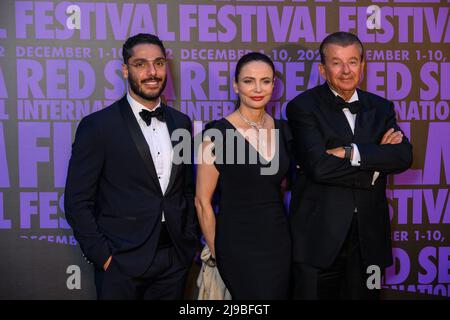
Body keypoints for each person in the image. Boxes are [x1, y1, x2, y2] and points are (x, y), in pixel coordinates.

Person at [64, 33, 198, 300]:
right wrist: (104, 258)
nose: (152, 72)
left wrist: (188, 241)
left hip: (173, 260)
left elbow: (185, 189)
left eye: (159, 63)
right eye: (141, 64)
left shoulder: (181, 122)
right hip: (121, 264)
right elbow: (77, 201)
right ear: (125, 70)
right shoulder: (98, 126)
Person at [286, 31, 413, 299]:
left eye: (353, 62)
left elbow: (403, 156)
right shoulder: (302, 106)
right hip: (318, 239)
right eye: (336, 63)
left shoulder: (381, 107)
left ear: (363, 65)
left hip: (370, 239)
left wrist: (349, 153)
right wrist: (376, 165)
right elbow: (319, 167)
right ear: (323, 69)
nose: (346, 71)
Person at [195, 52, 292, 299]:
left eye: (266, 81)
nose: (258, 88)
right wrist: (218, 251)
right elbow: (202, 201)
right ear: (236, 86)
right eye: (249, 81)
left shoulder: (285, 130)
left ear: (274, 85)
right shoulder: (217, 134)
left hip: (279, 243)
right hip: (236, 246)